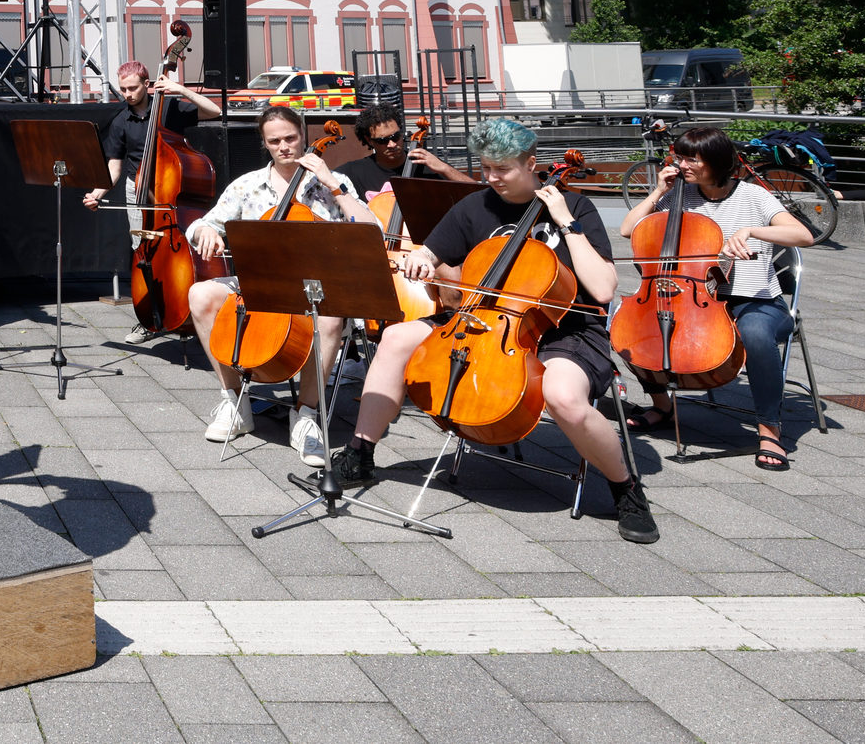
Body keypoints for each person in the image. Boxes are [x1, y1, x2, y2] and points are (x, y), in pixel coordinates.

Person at [330, 117, 658, 544]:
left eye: (502, 168)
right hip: (487, 319)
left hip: (565, 329)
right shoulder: (476, 206)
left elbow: (603, 289)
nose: (491, 178)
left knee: (563, 397)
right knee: (395, 338)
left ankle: (625, 488)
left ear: (530, 164)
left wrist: (565, 222)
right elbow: (432, 251)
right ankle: (360, 452)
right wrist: (422, 261)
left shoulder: (575, 207)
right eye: (485, 167)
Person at [180, 104, 377, 464]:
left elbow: (372, 230)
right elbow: (201, 224)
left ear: (303, 135)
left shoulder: (334, 182)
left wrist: (332, 185)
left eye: (290, 138)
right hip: (258, 285)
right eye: (275, 141)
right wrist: (205, 231)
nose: (284, 146)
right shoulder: (247, 185)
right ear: (265, 143)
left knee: (330, 318)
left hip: (317, 288)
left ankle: (306, 414)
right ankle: (233, 401)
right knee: (200, 293)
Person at [618, 124, 816, 472]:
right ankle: (663, 405)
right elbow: (627, 230)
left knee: (755, 334)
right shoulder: (679, 194)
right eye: (680, 158)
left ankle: (770, 429)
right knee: (634, 329)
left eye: (692, 160)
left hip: (755, 300)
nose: (683, 166)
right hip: (693, 298)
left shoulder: (752, 196)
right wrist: (657, 191)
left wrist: (751, 231)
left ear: (718, 161)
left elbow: (803, 235)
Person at [86, 59, 224, 237]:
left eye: (133, 88)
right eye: (123, 89)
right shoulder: (120, 121)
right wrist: (96, 194)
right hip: (137, 188)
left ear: (146, 84)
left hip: (170, 186)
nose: (127, 94)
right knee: (140, 243)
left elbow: (214, 111)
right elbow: (114, 168)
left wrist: (181, 90)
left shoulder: (170, 108)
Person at [337, 106, 471, 200]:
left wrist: (445, 169)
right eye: (382, 140)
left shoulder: (425, 165)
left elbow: (476, 193)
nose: (392, 144)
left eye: (395, 137)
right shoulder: (354, 171)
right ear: (369, 140)